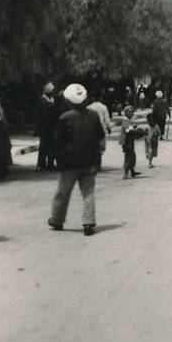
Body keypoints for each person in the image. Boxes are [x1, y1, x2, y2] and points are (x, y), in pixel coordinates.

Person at [49, 84, 105, 236]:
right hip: (89, 162)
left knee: (62, 193)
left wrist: (57, 159)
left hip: (69, 163)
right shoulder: (93, 115)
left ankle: (57, 220)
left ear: (68, 101)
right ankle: (88, 223)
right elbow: (100, 136)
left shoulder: (64, 118)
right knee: (88, 193)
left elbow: (57, 141)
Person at [34, 81, 59, 170]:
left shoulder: (53, 99)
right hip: (44, 127)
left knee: (51, 145)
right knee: (44, 146)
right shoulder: (42, 100)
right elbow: (38, 115)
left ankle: (50, 164)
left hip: (52, 126)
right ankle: (42, 164)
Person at [119, 106, 146, 179]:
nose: (132, 114)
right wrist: (138, 131)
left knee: (130, 156)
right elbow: (128, 131)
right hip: (127, 141)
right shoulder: (125, 120)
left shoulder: (127, 120)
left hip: (128, 140)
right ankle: (125, 174)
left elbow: (128, 129)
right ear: (126, 113)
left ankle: (132, 171)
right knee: (129, 156)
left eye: (132, 112)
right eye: (130, 112)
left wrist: (133, 127)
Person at [86, 95, 112, 169]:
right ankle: (98, 164)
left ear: (93, 98)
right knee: (101, 147)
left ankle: (93, 163)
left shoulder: (88, 107)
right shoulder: (103, 107)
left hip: (91, 129)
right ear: (100, 97)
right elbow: (107, 120)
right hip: (101, 129)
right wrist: (109, 128)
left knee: (92, 146)